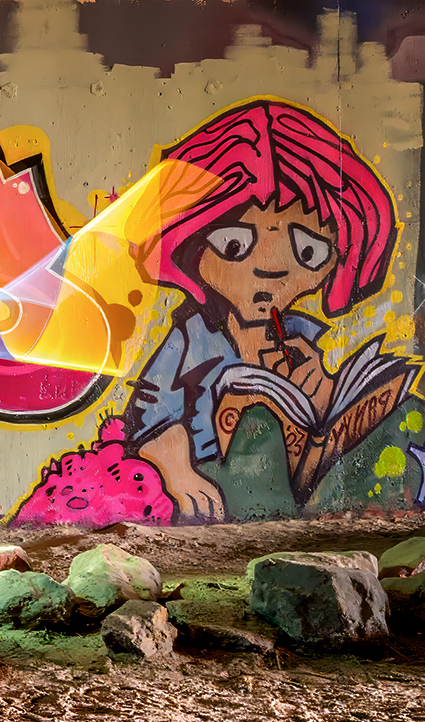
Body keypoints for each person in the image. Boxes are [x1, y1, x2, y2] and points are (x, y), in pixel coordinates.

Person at [124, 100, 398, 521]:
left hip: (294, 483)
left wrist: (320, 393)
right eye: (234, 244)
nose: (270, 269)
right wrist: (178, 471)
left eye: (308, 250)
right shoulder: (195, 336)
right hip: (216, 478)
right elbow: (150, 413)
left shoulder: (302, 335)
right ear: (191, 243)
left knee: (402, 420)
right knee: (259, 427)